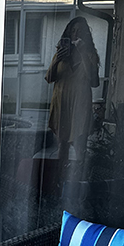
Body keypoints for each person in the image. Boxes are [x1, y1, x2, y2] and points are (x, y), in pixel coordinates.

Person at [45, 16, 100, 185]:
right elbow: (49, 78)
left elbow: (94, 82)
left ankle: (79, 182)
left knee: (80, 144)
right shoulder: (60, 53)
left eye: (80, 32)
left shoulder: (90, 55)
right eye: (73, 31)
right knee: (62, 146)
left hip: (80, 104)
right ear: (68, 33)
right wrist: (58, 60)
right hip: (62, 103)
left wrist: (83, 54)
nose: (76, 34)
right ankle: (59, 181)